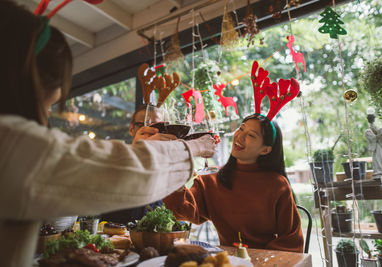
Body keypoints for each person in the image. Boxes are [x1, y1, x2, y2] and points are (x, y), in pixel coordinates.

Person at [0, 2, 216, 266]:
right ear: (24, 80)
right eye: (47, 104)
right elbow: (118, 171)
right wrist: (193, 148)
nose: (45, 116)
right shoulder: (11, 143)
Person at [164, 114, 304, 253]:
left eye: (251, 135)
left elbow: (291, 241)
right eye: (241, 129)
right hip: (228, 261)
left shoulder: (277, 185)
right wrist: (177, 179)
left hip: (266, 261)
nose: (240, 137)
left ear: (265, 150)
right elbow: (182, 211)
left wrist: (259, 260)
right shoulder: (210, 179)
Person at [100, 104, 172, 224]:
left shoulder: (166, 168)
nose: (149, 130)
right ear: (131, 129)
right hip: (114, 237)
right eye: (141, 125)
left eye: (156, 126)